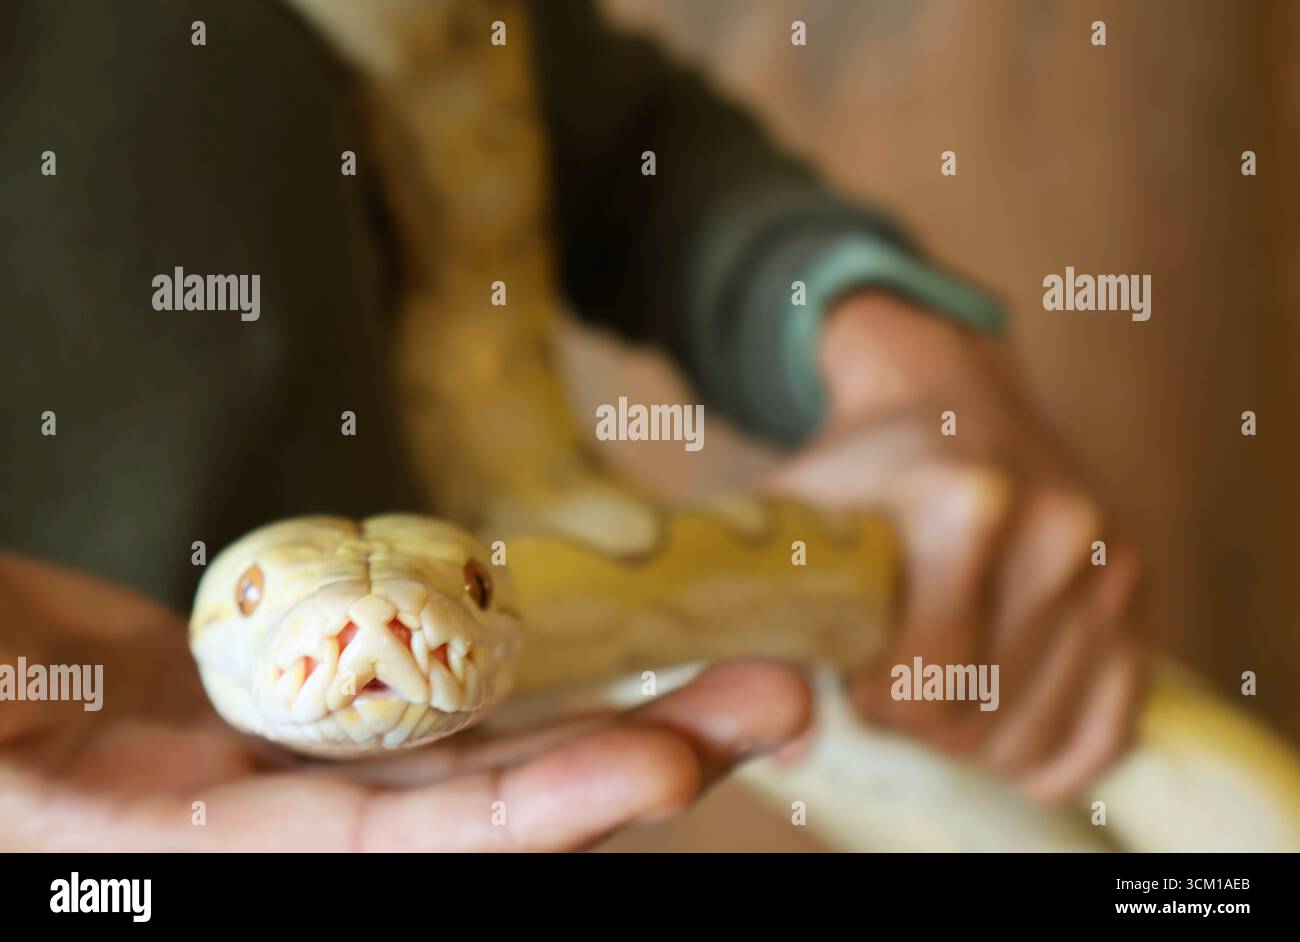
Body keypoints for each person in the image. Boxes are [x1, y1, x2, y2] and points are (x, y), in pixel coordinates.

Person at [0, 0, 1143, 850]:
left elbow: (601, 131)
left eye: (469, 594)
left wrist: (890, 344)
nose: (373, 639)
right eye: (258, 605)